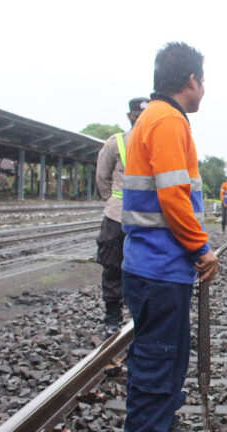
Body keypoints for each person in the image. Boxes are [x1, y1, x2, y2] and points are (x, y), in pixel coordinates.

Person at [119, 41, 219, 432]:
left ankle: (161, 425)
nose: (204, 88)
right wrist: (201, 247)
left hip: (159, 263)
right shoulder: (166, 121)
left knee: (170, 352)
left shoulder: (158, 117)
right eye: (204, 80)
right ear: (192, 80)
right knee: (158, 354)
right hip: (158, 264)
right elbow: (174, 197)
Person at [94, 97, 149, 336]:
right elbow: (102, 177)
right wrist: (114, 202)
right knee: (113, 264)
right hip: (118, 215)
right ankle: (113, 313)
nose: (140, 122)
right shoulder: (116, 143)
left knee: (143, 266)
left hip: (146, 215)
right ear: (129, 117)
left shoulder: (156, 141)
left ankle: (138, 311)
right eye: (137, 117)